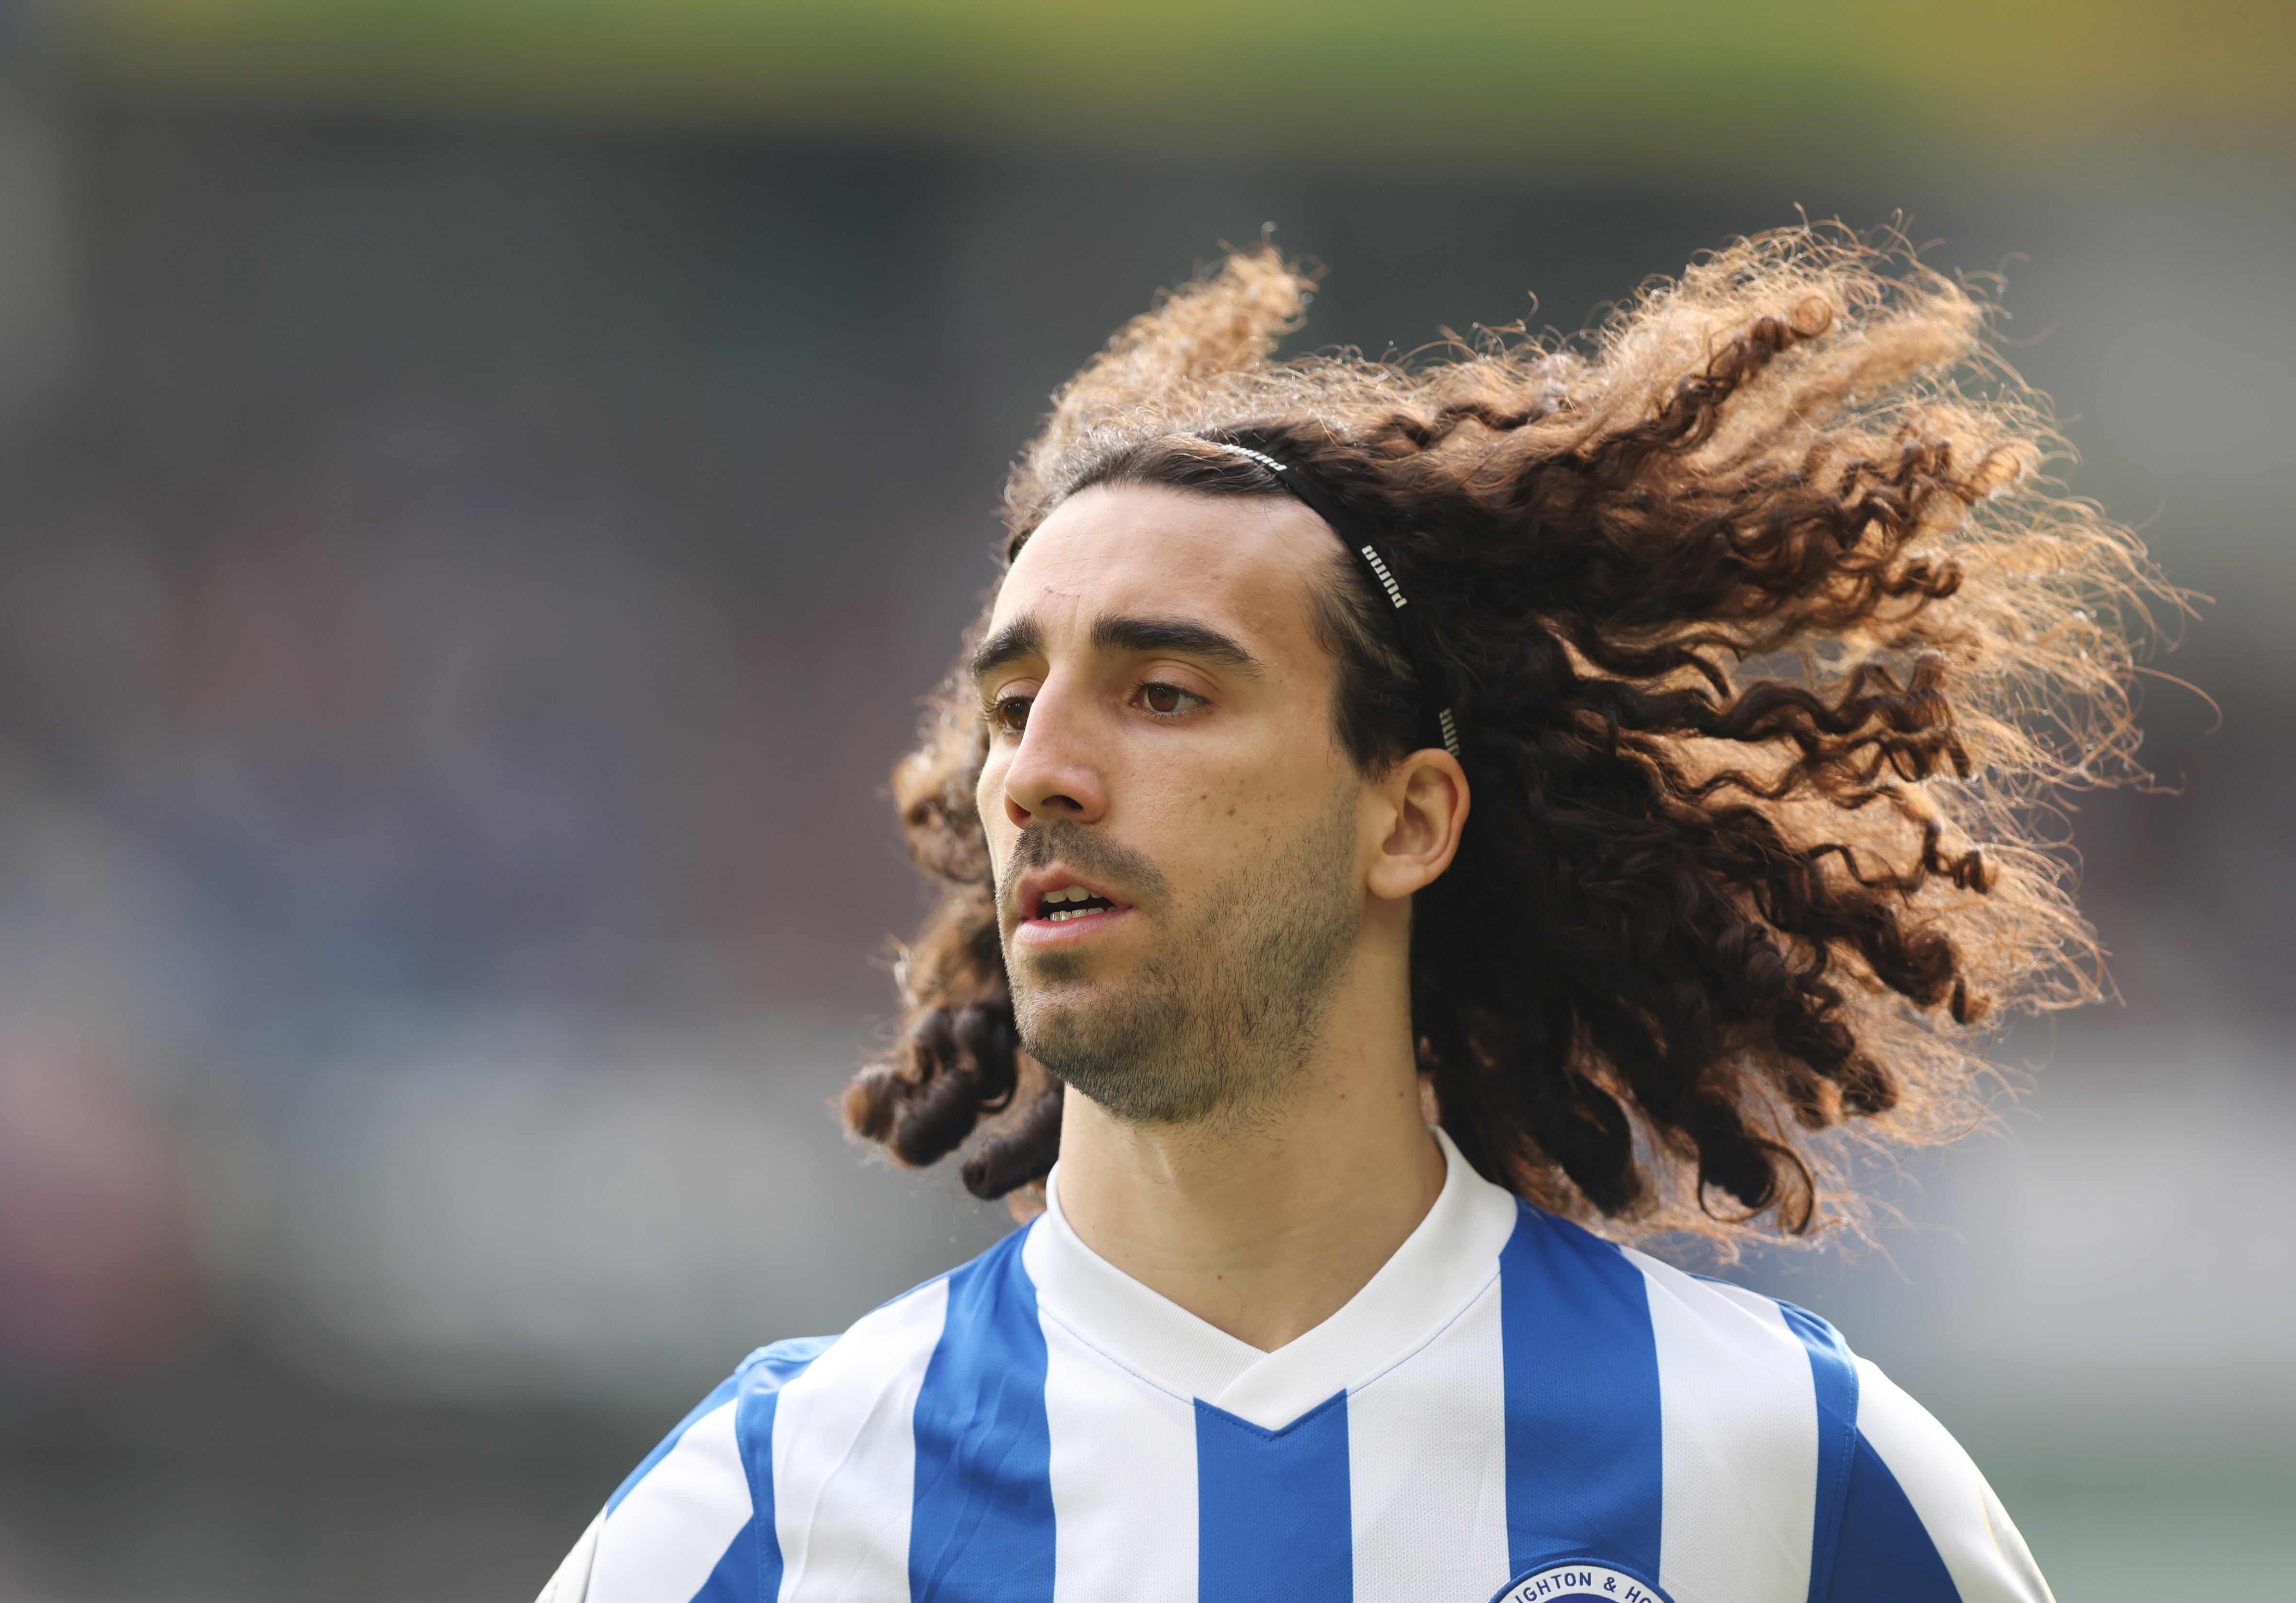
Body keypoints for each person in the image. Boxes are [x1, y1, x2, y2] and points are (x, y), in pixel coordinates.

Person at [539, 227, 2163, 1603]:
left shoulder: (1788, 1473)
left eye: (1164, 692)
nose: (1038, 773)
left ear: (1408, 817)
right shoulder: (766, 1515)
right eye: (1013, 704)